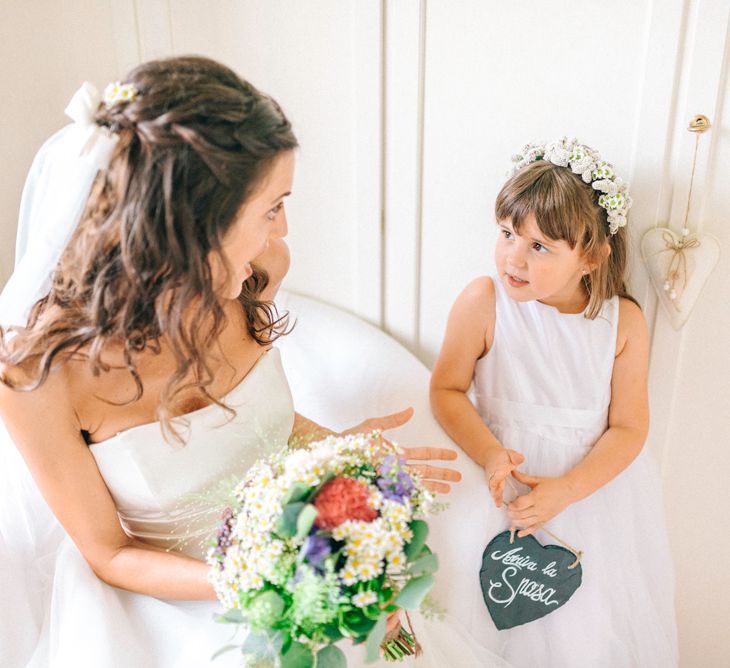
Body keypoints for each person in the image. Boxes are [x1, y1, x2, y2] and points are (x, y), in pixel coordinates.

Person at [0, 56, 468, 668]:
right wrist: (261, 581)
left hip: (294, 562)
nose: (284, 229)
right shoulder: (36, 378)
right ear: (194, 228)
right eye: (271, 207)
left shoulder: (257, 272)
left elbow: (255, 428)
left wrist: (340, 463)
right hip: (167, 602)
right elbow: (108, 553)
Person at [430, 139, 678, 667]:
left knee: (581, 636)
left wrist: (567, 490)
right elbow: (447, 390)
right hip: (497, 491)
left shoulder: (622, 322)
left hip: (587, 499)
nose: (513, 258)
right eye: (507, 234)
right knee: (476, 622)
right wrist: (494, 455)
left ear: (590, 256)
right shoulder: (484, 301)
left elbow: (630, 427)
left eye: (539, 247)